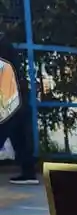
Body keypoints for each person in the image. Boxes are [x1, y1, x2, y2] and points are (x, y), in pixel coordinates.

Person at [0, 35, 38, 185]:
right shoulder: (7, 46)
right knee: (20, 135)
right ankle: (28, 173)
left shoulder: (3, 48)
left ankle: (28, 172)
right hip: (18, 95)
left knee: (10, 131)